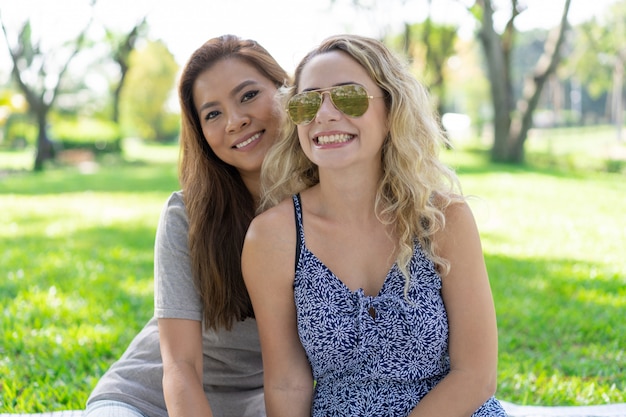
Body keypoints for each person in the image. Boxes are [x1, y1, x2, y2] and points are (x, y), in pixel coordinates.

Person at [242, 34, 508, 417]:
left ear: (391, 109)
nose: (325, 115)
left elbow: (476, 375)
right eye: (308, 102)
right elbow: (287, 382)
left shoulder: (444, 219)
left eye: (348, 97)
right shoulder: (273, 236)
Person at [85, 34, 289, 417]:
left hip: (258, 402)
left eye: (248, 96)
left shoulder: (326, 201)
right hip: (148, 398)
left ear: (286, 91)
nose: (235, 121)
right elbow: (180, 366)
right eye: (212, 114)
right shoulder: (188, 216)